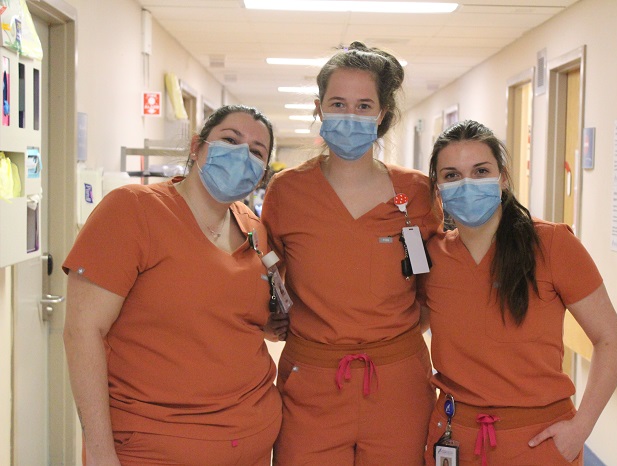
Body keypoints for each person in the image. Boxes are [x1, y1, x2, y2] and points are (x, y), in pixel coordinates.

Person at [63, 105, 287, 466]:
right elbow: (81, 332)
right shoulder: (133, 211)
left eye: (256, 151)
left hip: (253, 441)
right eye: (230, 140)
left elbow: (228, 313)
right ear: (197, 147)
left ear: (262, 173)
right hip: (154, 445)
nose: (241, 155)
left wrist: (270, 323)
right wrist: (101, 454)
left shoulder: (252, 228)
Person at [261, 41, 440, 465]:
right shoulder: (287, 192)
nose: (350, 115)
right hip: (312, 382)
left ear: (381, 115)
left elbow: (432, 285)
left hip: (398, 382)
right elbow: (268, 280)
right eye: (338, 103)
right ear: (319, 108)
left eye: (364, 105)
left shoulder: (415, 192)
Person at [421, 120, 617, 465]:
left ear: (502, 177)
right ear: (438, 186)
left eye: (480, 171)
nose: (467, 184)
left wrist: (582, 427)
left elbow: (611, 339)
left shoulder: (552, 244)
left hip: (539, 441)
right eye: (452, 175)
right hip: (454, 438)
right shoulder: (433, 257)